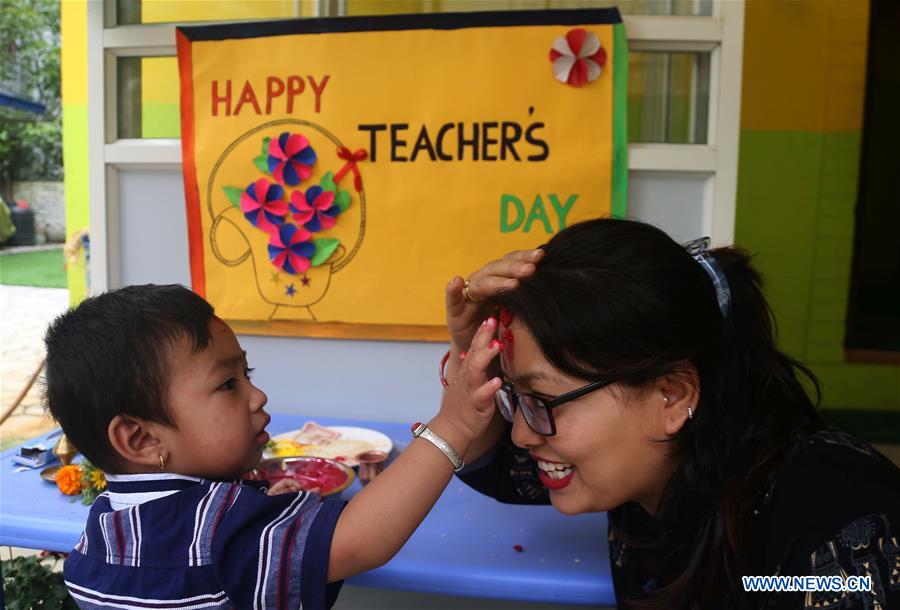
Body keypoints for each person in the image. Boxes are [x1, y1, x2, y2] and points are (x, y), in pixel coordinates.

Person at [442, 218, 900, 610]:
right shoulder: (657, 470)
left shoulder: (841, 538)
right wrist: (470, 345)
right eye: (515, 396)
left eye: (542, 400)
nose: (522, 434)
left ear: (673, 396)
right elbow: (492, 465)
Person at [43, 284, 502, 610]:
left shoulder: (102, 529)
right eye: (227, 384)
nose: (258, 396)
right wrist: (453, 424)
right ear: (141, 439)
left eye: (247, 374)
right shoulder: (214, 527)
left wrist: (264, 518)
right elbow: (361, 540)